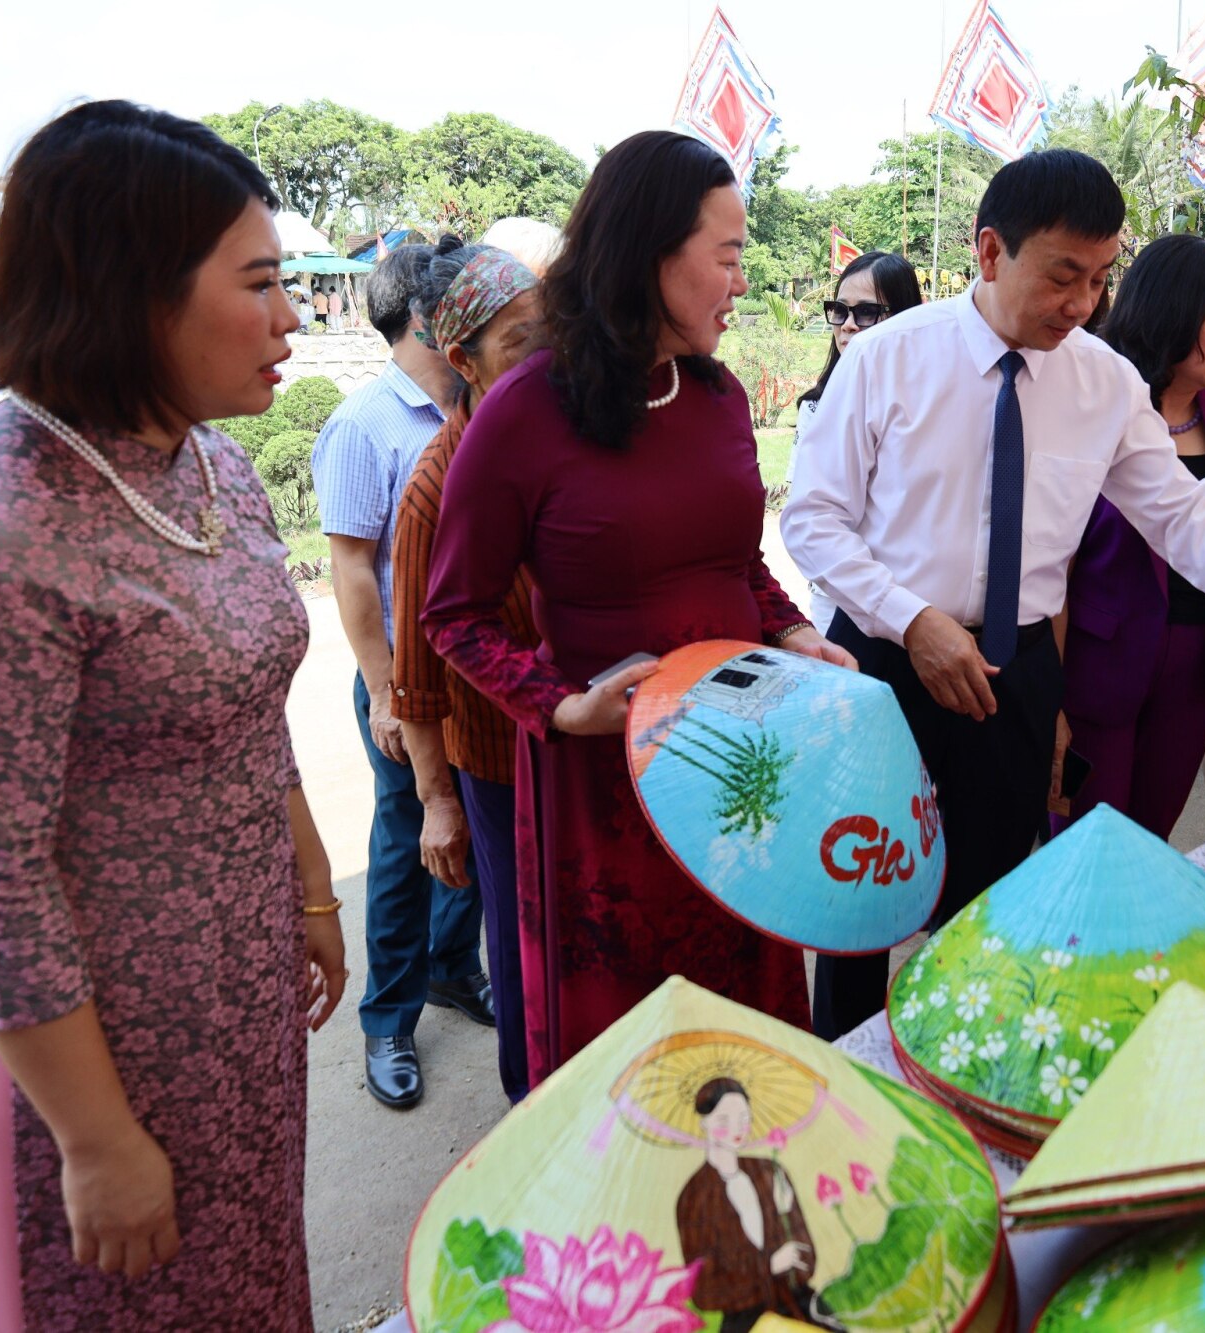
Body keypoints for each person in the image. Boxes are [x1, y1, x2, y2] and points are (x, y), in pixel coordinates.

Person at [0, 100, 343, 1331]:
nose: (291, 317)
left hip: (228, 1004)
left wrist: (308, 890)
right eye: (260, 282)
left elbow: (246, 704)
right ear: (134, 294)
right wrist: (95, 1140)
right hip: (84, 1054)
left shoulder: (209, 463)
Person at [781, 149, 1205, 1040]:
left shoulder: (1101, 380)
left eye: (1100, 279)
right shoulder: (885, 359)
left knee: (992, 904)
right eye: (1063, 276)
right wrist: (913, 622)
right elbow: (815, 521)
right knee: (858, 904)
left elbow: (1186, 514)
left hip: (1014, 667)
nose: (1083, 304)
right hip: (883, 659)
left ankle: (966, 1073)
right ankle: (844, 1080)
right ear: (991, 252)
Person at [420, 130, 844, 1079]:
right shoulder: (526, 410)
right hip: (605, 786)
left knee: (748, 1053)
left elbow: (740, 564)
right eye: (728, 255)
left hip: (739, 761)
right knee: (633, 1065)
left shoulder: (720, 396)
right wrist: (561, 706)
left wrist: (794, 628)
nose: (743, 281)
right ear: (652, 251)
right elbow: (453, 614)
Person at [312, 243, 491, 1111]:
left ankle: (457, 969)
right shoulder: (364, 424)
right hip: (401, 677)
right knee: (409, 836)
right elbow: (353, 574)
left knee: (472, 829)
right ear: (428, 320)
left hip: (474, 673)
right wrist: (383, 689)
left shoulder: (477, 407)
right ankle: (387, 1017)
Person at [391, 237, 550, 1101]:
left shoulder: (554, 438)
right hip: (496, 763)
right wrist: (438, 799)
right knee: (525, 952)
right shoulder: (435, 486)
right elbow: (416, 676)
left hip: (583, 739)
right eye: (524, 341)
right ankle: (535, 1114)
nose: (549, 355)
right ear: (464, 358)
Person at [1056, 234, 1205, 839]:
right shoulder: (1094, 406)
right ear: (1172, 314)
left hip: (1196, 662)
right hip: (1097, 660)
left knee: (1152, 838)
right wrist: (1047, 695)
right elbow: (1055, 563)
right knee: (1084, 841)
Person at [790, 251, 923, 628]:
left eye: (866, 312)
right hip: (836, 601)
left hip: (914, 605)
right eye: (840, 310)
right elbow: (810, 514)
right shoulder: (814, 407)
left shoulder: (926, 406)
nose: (848, 325)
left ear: (904, 315)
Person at [675, 1079, 834, 1332]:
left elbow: (806, 1259)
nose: (737, 1128)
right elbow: (704, 1292)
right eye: (724, 1121)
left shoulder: (769, 1171)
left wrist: (785, 1215)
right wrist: (767, 1267)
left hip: (797, 1305)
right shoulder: (694, 1197)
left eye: (744, 1118)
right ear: (703, 1123)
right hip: (744, 1321)